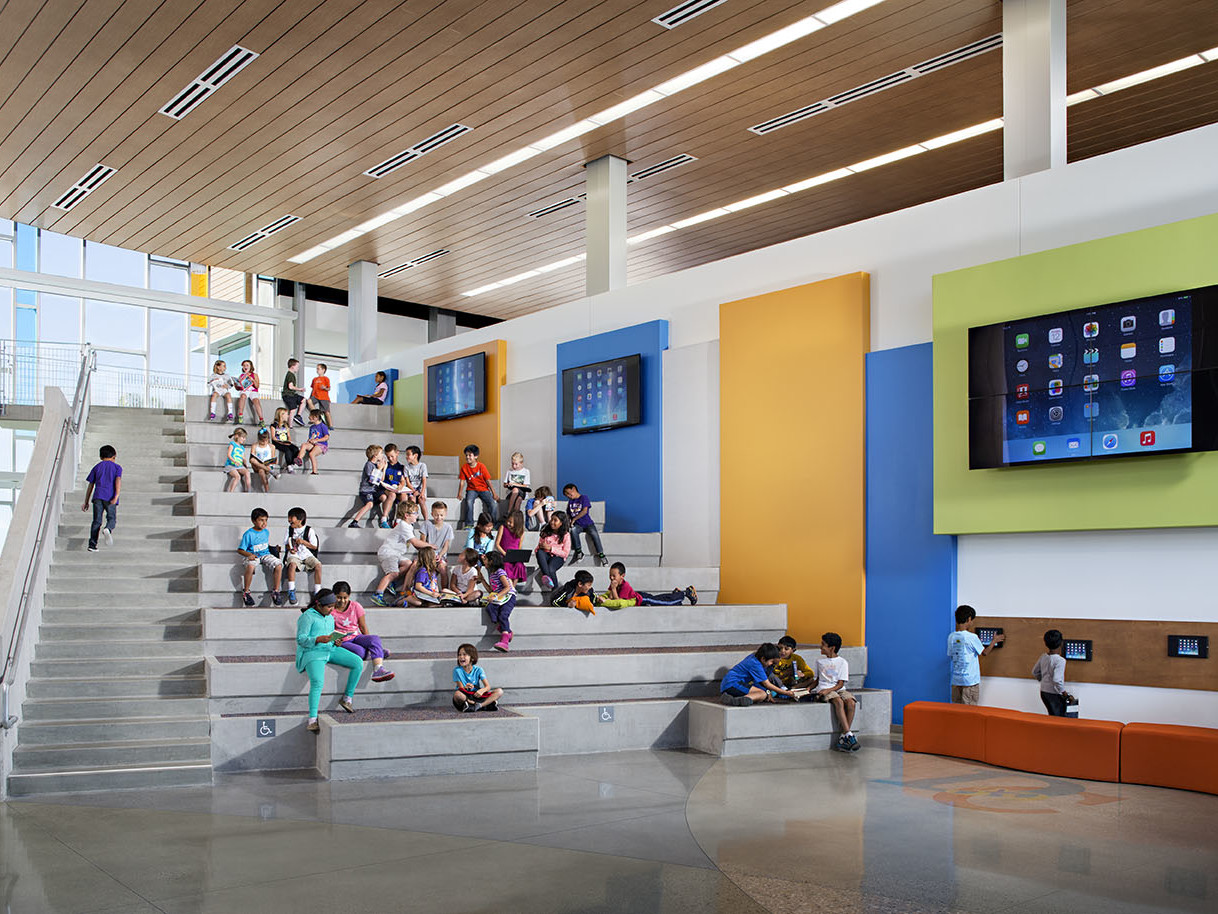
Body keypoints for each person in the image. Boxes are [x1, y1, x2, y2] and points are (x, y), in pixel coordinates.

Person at [295, 588, 363, 733]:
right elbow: (301, 639)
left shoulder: (330, 617)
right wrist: (317, 639)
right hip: (313, 652)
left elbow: (331, 637)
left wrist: (336, 642)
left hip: (330, 649)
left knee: (357, 662)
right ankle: (312, 719)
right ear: (319, 605)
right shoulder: (307, 617)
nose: (332, 610)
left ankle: (347, 698)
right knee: (318, 682)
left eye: (333, 606)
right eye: (329, 607)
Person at [331, 581, 395, 682]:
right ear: (333, 595)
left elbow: (363, 626)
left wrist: (368, 641)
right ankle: (378, 653)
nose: (342, 601)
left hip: (356, 637)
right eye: (339, 597)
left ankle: (378, 669)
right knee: (359, 652)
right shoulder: (330, 610)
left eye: (345, 598)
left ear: (349, 596)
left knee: (374, 639)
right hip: (342, 642)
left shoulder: (356, 606)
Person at [372, 502, 429, 605]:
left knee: (408, 563)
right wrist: (430, 545)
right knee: (392, 573)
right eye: (415, 513)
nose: (417, 515)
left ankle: (391, 582)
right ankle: (378, 594)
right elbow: (415, 542)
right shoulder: (404, 526)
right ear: (407, 515)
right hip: (389, 553)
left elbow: (416, 545)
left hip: (396, 554)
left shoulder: (409, 526)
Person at [948, 604, 1004, 705]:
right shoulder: (972, 637)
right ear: (969, 619)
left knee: (956, 711)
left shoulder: (951, 637)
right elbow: (985, 653)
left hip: (956, 681)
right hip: (969, 682)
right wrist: (994, 641)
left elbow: (951, 655)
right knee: (970, 713)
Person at [815, 632, 859, 751]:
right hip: (824, 689)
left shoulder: (843, 662)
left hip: (837, 689)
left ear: (832, 648)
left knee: (851, 703)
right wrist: (808, 689)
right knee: (838, 702)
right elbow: (818, 679)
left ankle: (844, 735)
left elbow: (840, 684)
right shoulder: (819, 662)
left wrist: (828, 690)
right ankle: (848, 735)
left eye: (823, 644)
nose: (820, 646)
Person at [719, 643, 794, 706]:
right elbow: (766, 684)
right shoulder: (755, 664)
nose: (772, 664)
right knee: (762, 694)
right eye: (771, 661)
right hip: (732, 684)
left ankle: (735, 698)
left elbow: (759, 683)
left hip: (736, 684)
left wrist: (768, 692)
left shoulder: (757, 659)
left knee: (763, 694)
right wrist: (786, 692)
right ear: (763, 659)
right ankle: (733, 701)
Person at [238, 507, 283, 606]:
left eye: (266, 520)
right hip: (253, 556)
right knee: (250, 566)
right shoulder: (248, 534)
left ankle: (276, 591)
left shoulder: (266, 532)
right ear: (254, 521)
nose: (264, 523)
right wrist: (249, 555)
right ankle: (246, 592)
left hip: (265, 555)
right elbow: (240, 550)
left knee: (279, 565)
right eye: (261, 520)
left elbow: (264, 546)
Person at [81, 444, 122, 552]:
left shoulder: (96, 467)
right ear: (114, 456)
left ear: (100, 457)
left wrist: (86, 501)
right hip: (110, 497)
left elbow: (90, 485)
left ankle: (92, 545)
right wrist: (116, 496)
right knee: (111, 518)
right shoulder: (117, 467)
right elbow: (118, 481)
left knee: (96, 521)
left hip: (97, 496)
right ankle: (108, 529)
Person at [602, 562, 697, 607]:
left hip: (642, 598)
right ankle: (675, 594)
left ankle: (686, 593)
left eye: (614, 576)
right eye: (610, 575)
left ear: (622, 576)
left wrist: (614, 590)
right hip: (638, 596)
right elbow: (611, 597)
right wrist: (610, 594)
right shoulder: (613, 584)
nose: (611, 578)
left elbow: (618, 601)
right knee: (658, 598)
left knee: (663, 602)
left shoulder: (625, 586)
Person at [283, 506, 322, 604]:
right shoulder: (289, 530)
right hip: (295, 555)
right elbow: (286, 544)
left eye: (292, 518)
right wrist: (291, 548)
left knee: (318, 565)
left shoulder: (309, 530)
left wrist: (303, 542)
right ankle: (291, 590)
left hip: (306, 554)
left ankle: (317, 591)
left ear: (300, 519)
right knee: (292, 565)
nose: (289, 520)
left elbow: (314, 546)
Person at [563, 483, 607, 566]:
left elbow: (584, 511)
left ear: (573, 489)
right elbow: (568, 514)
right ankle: (579, 552)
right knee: (573, 530)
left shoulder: (584, 498)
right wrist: (568, 522)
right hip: (578, 525)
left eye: (568, 493)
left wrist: (574, 519)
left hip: (587, 523)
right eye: (566, 495)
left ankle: (601, 554)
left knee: (594, 534)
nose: (568, 496)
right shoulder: (570, 502)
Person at [1032, 629, 1073, 716]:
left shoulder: (1043, 657)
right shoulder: (1060, 660)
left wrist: (1044, 680)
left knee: (1052, 715)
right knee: (1059, 718)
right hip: (1054, 694)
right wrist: (1065, 694)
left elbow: (1035, 672)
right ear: (1061, 643)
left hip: (1043, 692)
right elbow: (1057, 679)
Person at [452, 643, 503, 712]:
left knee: (499, 691)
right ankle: (485, 705)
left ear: (472, 658)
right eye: (459, 655)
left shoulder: (479, 670)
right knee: (457, 695)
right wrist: (466, 687)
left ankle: (479, 706)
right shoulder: (457, 671)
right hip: (466, 696)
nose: (461, 657)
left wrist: (481, 690)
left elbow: (487, 686)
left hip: (477, 695)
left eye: (464, 654)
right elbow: (461, 688)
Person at [482, 551, 516, 651]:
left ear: (491, 561)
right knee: (490, 608)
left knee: (503, 615)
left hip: (508, 597)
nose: (484, 562)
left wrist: (496, 596)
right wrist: (482, 579)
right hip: (499, 598)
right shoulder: (492, 574)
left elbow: (507, 587)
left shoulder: (500, 572)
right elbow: (491, 590)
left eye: (486, 560)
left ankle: (505, 640)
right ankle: (506, 630)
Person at [346, 445, 386, 528]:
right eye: (381, 453)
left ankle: (384, 518)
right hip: (366, 491)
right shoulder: (369, 465)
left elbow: (381, 479)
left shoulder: (376, 465)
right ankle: (354, 521)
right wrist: (379, 469)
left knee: (384, 497)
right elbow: (373, 479)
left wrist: (383, 469)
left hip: (374, 490)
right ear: (375, 455)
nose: (382, 455)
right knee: (370, 504)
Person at [457, 444, 496, 527]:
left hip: (483, 489)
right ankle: (469, 524)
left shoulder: (481, 466)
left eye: (470, 455)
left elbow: (488, 480)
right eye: (466, 455)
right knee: (469, 502)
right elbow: (462, 482)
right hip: (471, 489)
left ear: (476, 456)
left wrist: (494, 493)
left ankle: (492, 524)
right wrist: (459, 494)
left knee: (493, 504)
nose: (467, 457)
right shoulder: (464, 467)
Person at [418, 501, 454, 584]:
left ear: (445, 514)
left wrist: (440, 555)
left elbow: (446, 546)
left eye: (441, 515)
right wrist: (430, 555)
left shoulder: (448, 527)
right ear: (432, 514)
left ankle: (445, 591)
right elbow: (422, 542)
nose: (439, 517)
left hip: (440, 556)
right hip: (427, 555)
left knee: (443, 568)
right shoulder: (426, 524)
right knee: (417, 566)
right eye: (436, 515)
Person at [534, 511, 571, 591]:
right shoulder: (545, 532)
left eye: (555, 520)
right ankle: (547, 577)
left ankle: (555, 590)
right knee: (539, 552)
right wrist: (540, 547)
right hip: (545, 556)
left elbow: (565, 553)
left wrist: (551, 549)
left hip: (557, 557)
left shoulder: (566, 535)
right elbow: (537, 549)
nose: (552, 522)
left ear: (561, 523)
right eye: (551, 519)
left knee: (551, 569)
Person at [494, 510, 528, 583]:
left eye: (511, 522)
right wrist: (505, 554)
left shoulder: (521, 532)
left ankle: (513, 588)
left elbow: (519, 547)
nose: (508, 523)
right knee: (506, 565)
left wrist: (517, 557)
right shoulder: (502, 528)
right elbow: (497, 544)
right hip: (503, 554)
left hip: (514, 556)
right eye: (508, 521)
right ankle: (509, 587)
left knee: (519, 565)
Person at [380, 443, 406, 526]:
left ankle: (398, 519)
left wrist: (400, 487)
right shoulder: (386, 465)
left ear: (397, 453)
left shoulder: (401, 467)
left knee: (404, 496)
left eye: (392, 456)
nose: (390, 459)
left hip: (396, 489)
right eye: (388, 457)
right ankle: (384, 518)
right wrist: (383, 468)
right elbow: (382, 480)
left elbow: (402, 481)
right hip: (387, 488)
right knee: (392, 495)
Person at [297, 409, 329, 474]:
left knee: (312, 454)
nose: (309, 417)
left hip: (321, 444)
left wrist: (317, 440)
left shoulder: (323, 426)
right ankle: (299, 459)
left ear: (316, 417)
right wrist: (310, 440)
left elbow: (326, 437)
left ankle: (315, 471)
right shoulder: (312, 427)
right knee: (304, 445)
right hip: (313, 444)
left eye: (310, 415)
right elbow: (311, 437)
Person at [234, 359, 264, 428]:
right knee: (243, 396)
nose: (245, 366)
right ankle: (240, 415)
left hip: (253, 391)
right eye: (244, 365)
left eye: (247, 365)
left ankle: (261, 419)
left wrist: (252, 380)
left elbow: (257, 386)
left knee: (256, 401)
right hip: (245, 390)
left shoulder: (254, 375)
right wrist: (236, 384)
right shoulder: (241, 375)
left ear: (250, 367)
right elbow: (238, 388)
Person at [501, 451, 531, 520]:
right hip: (511, 493)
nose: (514, 466)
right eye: (512, 464)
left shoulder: (526, 471)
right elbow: (504, 484)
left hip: (522, 492)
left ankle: (511, 514)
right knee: (516, 493)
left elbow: (526, 485)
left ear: (521, 463)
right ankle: (511, 514)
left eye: (516, 464)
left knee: (518, 497)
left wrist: (515, 484)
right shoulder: (509, 471)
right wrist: (508, 484)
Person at [269, 407, 298, 473]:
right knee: (287, 450)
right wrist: (281, 442)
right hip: (277, 442)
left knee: (295, 449)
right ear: (281, 415)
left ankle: (292, 463)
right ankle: (289, 465)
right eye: (286, 414)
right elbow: (273, 437)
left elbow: (288, 436)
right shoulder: (273, 425)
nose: (288, 416)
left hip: (285, 442)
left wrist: (289, 441)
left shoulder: (286, 425)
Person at [223, 428, 252, 493]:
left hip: (239, 465)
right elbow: (229, 455)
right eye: (242, 437)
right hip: (231, 465)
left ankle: (249, 490)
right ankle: (231, 492)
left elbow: (243, 457)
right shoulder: (232, 444)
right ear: (237, 436)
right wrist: (234, 461)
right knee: (237, 476)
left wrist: (245, 463)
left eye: (245, 438)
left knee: (247, 473)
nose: (244, 439)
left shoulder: (242, 447)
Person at [402, 445, 428, 515]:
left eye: (408, 454)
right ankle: (412, 518)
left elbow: (424, 480)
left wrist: (421, 493)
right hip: (411, 489)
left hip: (420, 489)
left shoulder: (422, 466)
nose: (406, 456)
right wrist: (414, 491)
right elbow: (407, 482)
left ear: (415, 456)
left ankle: (426, 521)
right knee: (411, 500)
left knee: (421, 501)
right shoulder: (406, 467)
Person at [282, 358, 307, 426]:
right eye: (297, 366)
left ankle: (298, 416)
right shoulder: (290, 375)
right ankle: (290, 426)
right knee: (293, 409)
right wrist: (300, 389)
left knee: (303, 400)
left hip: (292, 394)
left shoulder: (291, 374)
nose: (298, 368)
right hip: (288, 395)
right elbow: (290, 386)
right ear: (292, 366)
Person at [306, 363, 332, 428]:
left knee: (326, 412)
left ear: (323, 370)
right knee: (309, 401)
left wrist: (324, 388)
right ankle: (317, 415)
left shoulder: (326, 379)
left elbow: (328, 388)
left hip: (323, 397)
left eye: (318, 369)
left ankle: (330, 425)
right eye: (317, 369)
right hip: (315, 396)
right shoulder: (314, 379)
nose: (317, 370)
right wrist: (310, 396)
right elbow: (313, 389)